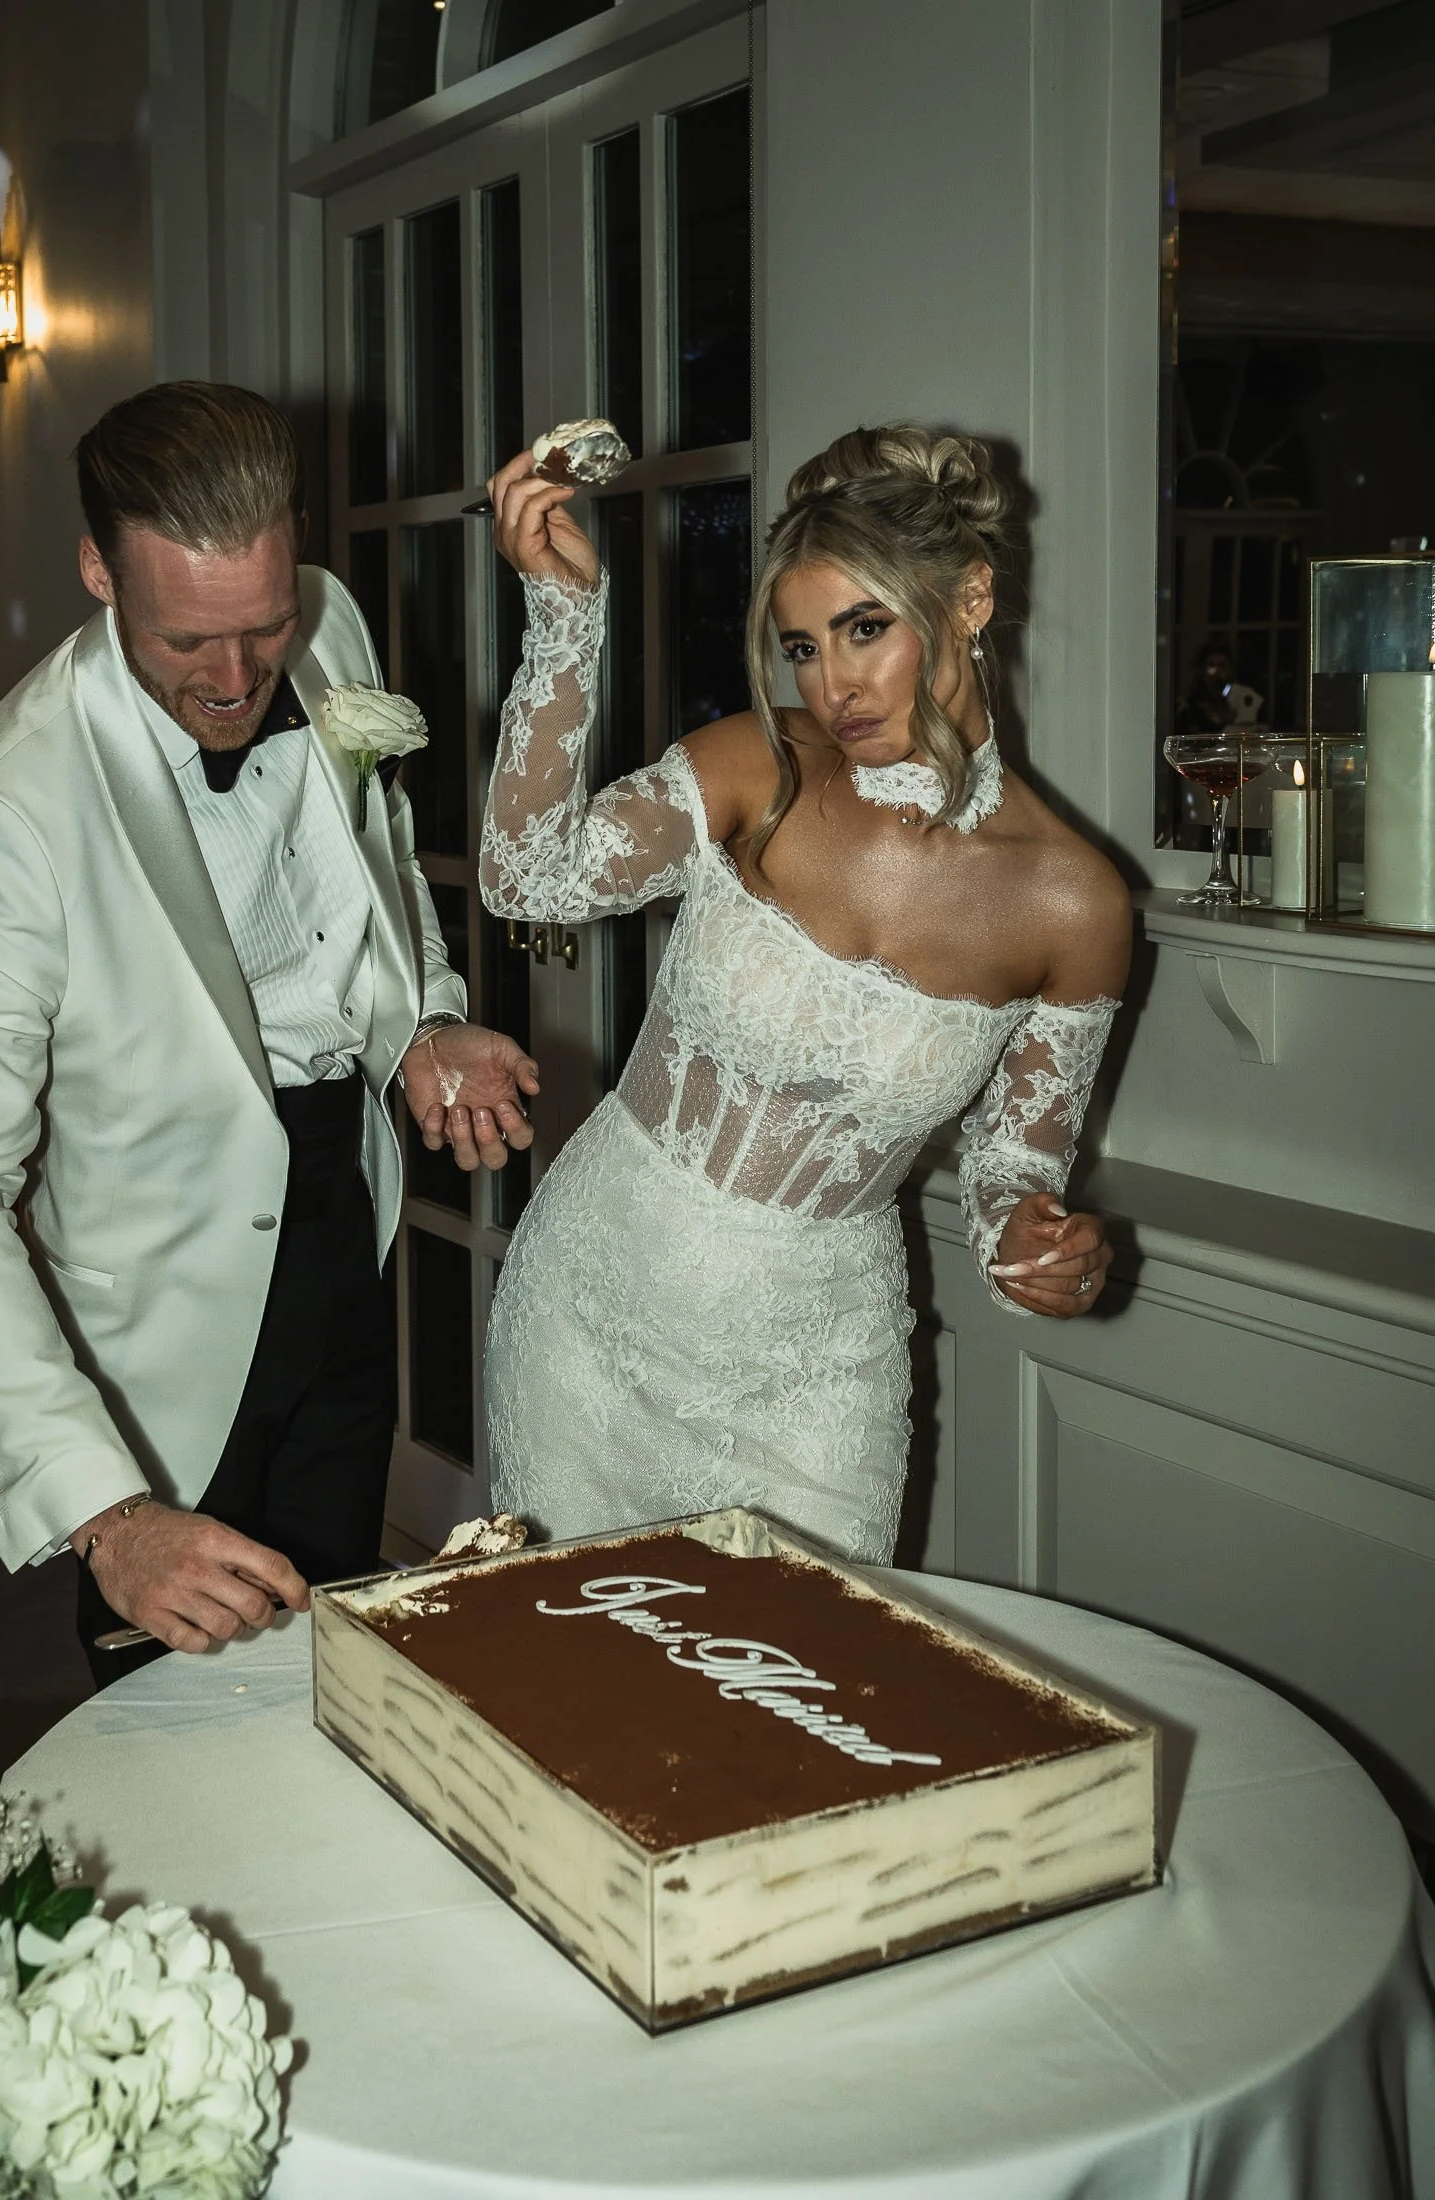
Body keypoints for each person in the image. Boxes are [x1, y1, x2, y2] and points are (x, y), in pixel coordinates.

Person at [0, 381, 537, 1684]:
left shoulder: (327, 621)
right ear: (94, 569)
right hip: (163, 1332)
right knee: (173, 1718)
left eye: (263, 627)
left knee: (339, 1659)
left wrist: (420, 1027)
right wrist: (105, 1517)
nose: (238, 679)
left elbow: (373, 876)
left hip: (342, 1214)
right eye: (189, 641)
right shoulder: (8, 809)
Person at [478, 424, 1129, 1558]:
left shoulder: (1073, 905)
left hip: (819, 1362)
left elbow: (1014, 1163)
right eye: (800, 648)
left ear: (969, 599)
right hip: (592, 1308)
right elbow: (525, 876)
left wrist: (1031, 1239)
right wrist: (564, 619)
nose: (830, 685)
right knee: (575, 1681)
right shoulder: (756, 765)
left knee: (808, 1687)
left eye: (862, 630)